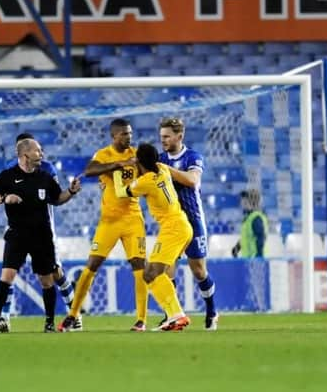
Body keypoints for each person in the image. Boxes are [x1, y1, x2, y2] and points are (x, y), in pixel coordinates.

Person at [0, 137, 81, 332]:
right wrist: (6, 198)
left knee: (47, 281)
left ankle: (49, 322)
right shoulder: (7, 176)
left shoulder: (45, 177)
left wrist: (71, 192)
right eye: (38, 151)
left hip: (42, 236)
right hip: (17, 235)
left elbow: (57, 199)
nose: (41, 154)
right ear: (25, 155)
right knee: (7, 276)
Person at [58, 118, 148, 332]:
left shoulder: (136, 155)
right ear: (114, 136)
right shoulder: (104, 155)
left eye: (130, 133)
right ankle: (73, 314)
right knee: (91, 266)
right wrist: (118, 165)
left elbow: (149, 174)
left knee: (139, 267)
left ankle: (141, 320)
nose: (129, 137)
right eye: (125, 134)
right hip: (108, 221)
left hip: (133, 219)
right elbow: (89, 171)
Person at [114, 143, 193, 331]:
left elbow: (120, 192)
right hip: (183, 224)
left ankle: (176, 315)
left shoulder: (146, 181)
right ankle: (175, 316)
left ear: (140, 162)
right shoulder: (163, 169)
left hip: (173, 228)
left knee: (150, 274)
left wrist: (118, 172)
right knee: (157, 273)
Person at [158, 117, 218, 330]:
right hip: (171, 223)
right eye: (161, 136)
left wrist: (165, 170)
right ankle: (171, 315)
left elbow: (193, 181)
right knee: (166, 269)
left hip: (193, 220)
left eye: (166, 136)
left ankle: (211, 311)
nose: (163, 140)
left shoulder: (192, 156)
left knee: (199, 271)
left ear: (179, 136)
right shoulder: (159, 158)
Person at [231, 189, 268, 258]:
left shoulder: (256, 218)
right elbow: (247, 236)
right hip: (248, 259)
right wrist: (237, 247)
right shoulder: (248, 218)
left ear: (252, 202)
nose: (242, 203)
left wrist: (259, 257)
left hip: (255, 259)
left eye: (245, 201)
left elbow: (260, 238)